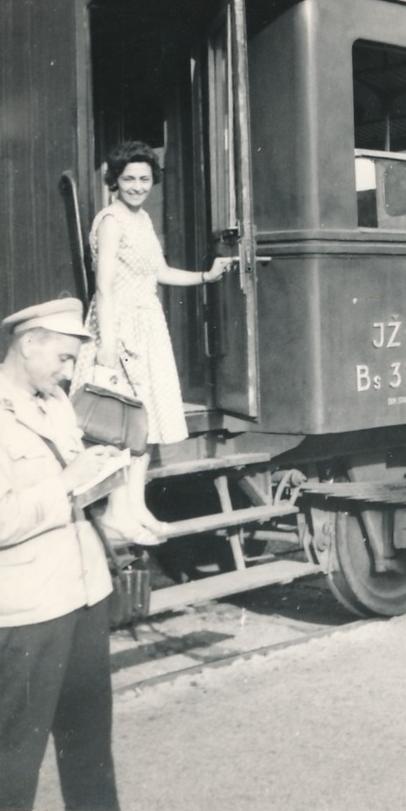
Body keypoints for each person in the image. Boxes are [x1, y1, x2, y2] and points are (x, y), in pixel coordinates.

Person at [0, 297, 123, 811]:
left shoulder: (55, 403)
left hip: (83, 596)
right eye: (62, 358)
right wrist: (66, 483)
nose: (68, 372)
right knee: (15, 758)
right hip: (27, 611)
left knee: (90, 752)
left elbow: (73, 489)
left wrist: (100, 476)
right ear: (28, 342)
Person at [71, 141, 233, 538]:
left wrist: (205, 277)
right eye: (129, 179)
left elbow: (158, 271)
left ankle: (137, 508)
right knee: (120, 425)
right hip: (119, 325)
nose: (138, 186)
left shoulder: (141, 220)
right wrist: (108, 345)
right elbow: (104, 287)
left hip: (148, 325)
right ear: (115, 180)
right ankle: (115, 513)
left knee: (143, 424)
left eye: (145, 179)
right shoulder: (111, 220)